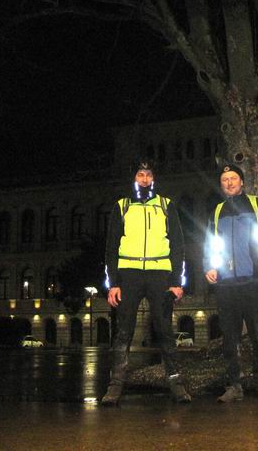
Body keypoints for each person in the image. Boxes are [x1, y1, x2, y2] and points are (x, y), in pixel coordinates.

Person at [100, 159, 191, 406]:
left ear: (154, 178)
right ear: (134, 178)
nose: (144, 179)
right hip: (128, 274)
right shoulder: (122, 206)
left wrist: (176, 281)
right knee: (123, 331)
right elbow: (111, 247)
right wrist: (113, 283)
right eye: (140, 174)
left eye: (149, 175)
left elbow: (178, 245)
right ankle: (115, 386)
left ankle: (176, 384)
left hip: (159, 274)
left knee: (165, 330)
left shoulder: (165, 205)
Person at [204, 164, 258, 402]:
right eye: (225, 179)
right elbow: (210, 242)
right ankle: (234, 384)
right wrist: (209, 265)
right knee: (230, 337)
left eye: (233, 178)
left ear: (242, 182)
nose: (229, 182)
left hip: (254, 280)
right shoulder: (217, 211)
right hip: (226, 284)